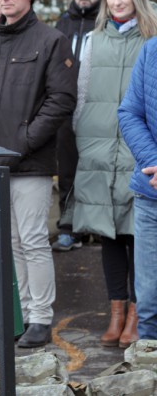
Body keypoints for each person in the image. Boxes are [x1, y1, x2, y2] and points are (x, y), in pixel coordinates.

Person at [0, 0, 77, 348]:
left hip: (29, 164)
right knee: (7, 242)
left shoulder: (51, 40)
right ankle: (24, 314)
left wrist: (24, 141)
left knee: (31, 239)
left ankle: (41, 317)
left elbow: (61, 101)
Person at [73, 0, 157, 348]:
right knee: (107, 233)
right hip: (100, 146)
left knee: (138, 234)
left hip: (139, 149)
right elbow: (82, 94)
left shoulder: (151, 38)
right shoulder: (93, 40)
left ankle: (140, 315)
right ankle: (117, 313)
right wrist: (86, 139)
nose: (117, 2)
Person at [53, 0, 104, 252]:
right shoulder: (63, 23)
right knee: (68, 169)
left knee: (96, 167)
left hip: (98, 107)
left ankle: (95, 226)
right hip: (66, 108)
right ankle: (69, 226)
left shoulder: (105, 23)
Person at [119, 38, 157, 342]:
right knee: (150, 303)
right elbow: (129, 113)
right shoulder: (152, 50)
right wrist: (155, 161)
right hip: (151, 195)